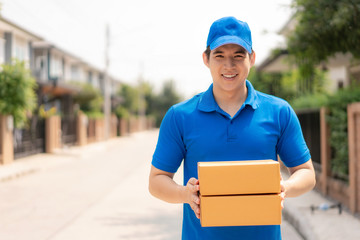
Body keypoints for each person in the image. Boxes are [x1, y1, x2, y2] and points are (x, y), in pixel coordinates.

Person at [148, 16, 316, 240]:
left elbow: (306, 173)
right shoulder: (180, 116)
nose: (229, 65)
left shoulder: (279, 112)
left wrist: (284, 187)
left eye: (238, 55)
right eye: (219, 55)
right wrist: (185, 194)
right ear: (206, 59)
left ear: (252, 58)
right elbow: (156, 180)